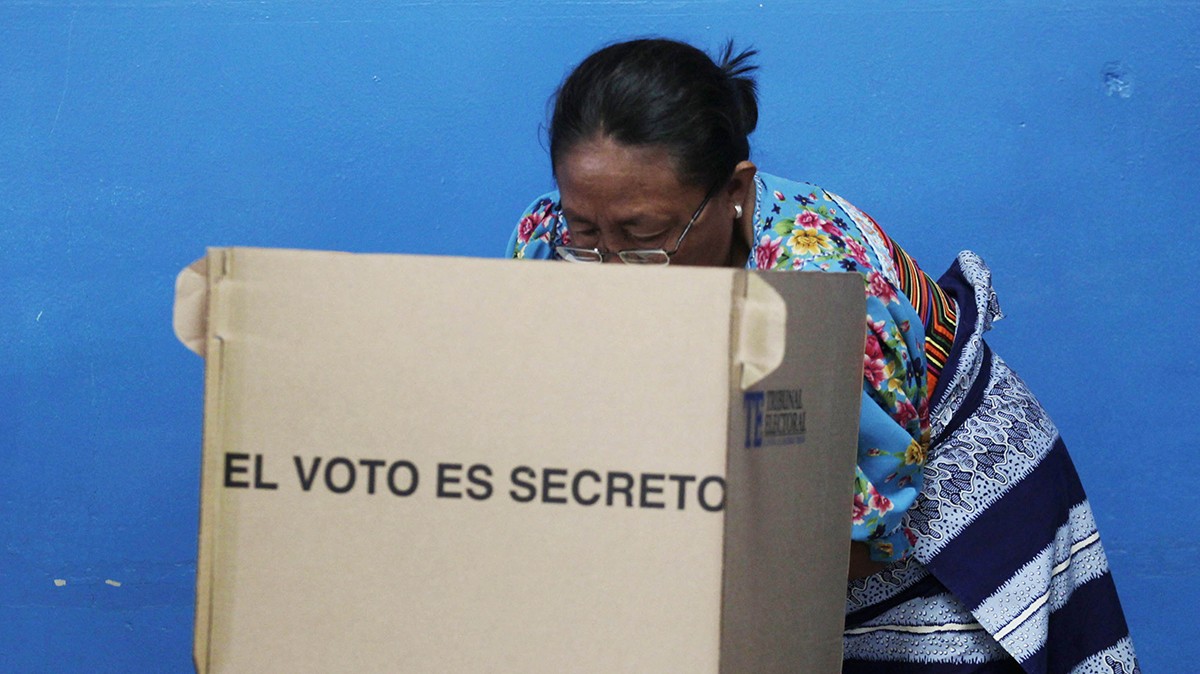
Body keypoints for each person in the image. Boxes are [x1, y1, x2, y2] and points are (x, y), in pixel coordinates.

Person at [507, 38, 1139, 673]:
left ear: (734, 189)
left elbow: (855, 539)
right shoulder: (552, 247)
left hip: (922, 533)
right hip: (756, 518)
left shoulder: (824, 288)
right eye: (586, 229)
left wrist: (645, 591)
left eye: (644, 236)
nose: (612, 267)